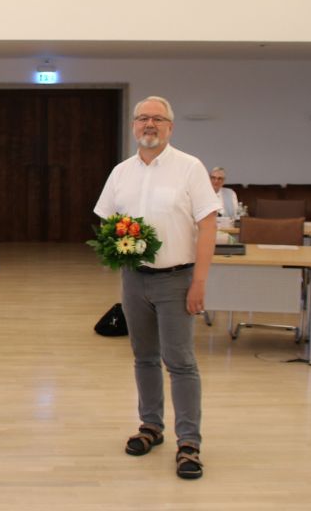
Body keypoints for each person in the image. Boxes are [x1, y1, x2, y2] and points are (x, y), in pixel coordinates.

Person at [93, 95, 219, 480]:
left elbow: (208, 225)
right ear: (134, 126)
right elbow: (104, 223)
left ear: (170, 127)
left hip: (177, 279)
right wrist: (115, 246)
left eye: (158, 119)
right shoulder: (121, 172)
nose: (149, 125)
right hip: (134, 278)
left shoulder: (190, 168)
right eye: (143, 118)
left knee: (180, 362)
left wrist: (199, 281)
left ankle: (189, 443)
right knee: (143, 357)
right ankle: (151, 427)